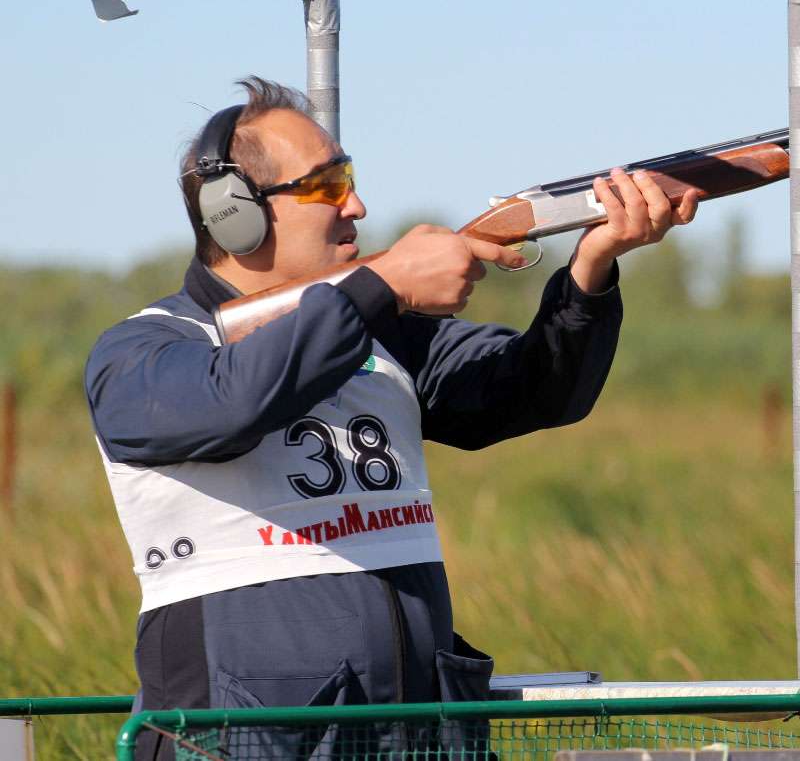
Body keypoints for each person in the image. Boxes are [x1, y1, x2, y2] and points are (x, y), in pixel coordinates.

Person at [85, 77, 697, 759]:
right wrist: (384, 287)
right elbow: (234, 402)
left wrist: (591, 270)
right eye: (324, 186)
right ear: (235, 214)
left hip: (414, 737)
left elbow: (537, 390)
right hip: (248, 745)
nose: (357, 204)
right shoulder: (142, 352)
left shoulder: (387, 337)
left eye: (346, 177)